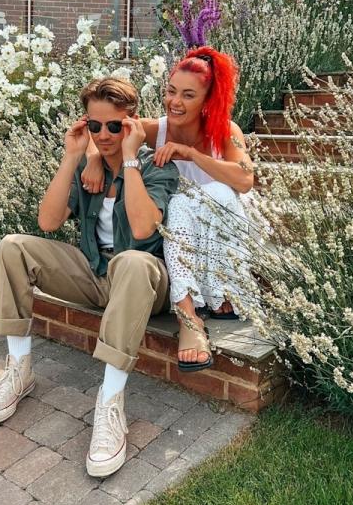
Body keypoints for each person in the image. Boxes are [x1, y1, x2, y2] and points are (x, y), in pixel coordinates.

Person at [0, 77, 180, 478]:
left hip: (143, 277)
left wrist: (131, 159)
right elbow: (49, 221)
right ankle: (19, 369)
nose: (103, 135)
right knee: (13, 245)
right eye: (94, 125)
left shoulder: (157, 167)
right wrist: (73, 157)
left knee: (133, 262)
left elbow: (142, 231)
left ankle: (110, 402)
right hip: (93, 270)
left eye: (114, 126)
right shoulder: (89, 165)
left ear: (132, 123)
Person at [81, 46, 254, 373]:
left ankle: (215, 298)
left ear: (208, 99)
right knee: (176, 204)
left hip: (223, 227)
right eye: (171, 91)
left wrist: (190, 154)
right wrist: (92, 159)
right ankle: (189, 317)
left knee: (210, 191)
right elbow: (106, 127)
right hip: (179, 235)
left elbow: (245, 180)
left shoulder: (226, 131)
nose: (175, 102)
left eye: (188, 95)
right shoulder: (154, 128)